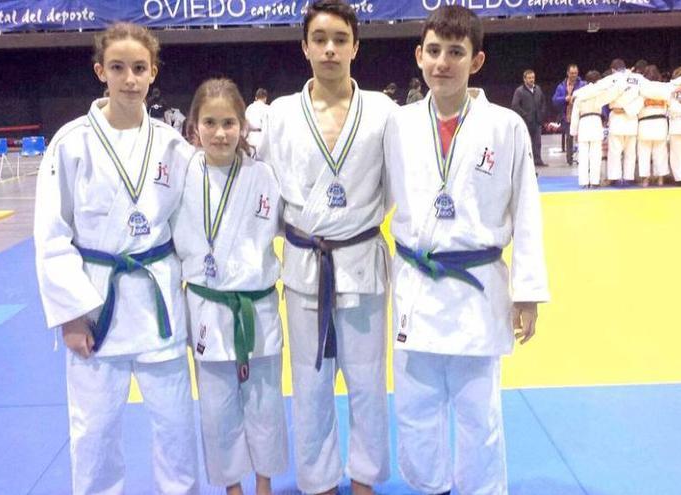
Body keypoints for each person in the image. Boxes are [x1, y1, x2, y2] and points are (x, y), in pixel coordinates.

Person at [384, 6, 549, 494]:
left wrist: (529, 290)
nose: (442, 63)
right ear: (418, 55)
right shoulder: (399, 124)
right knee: (416, 411)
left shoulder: (506, 127)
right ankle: (429, 487)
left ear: (475, 61)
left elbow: (527, 211)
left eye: (455, 53)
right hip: (415, 284)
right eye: (433, 51)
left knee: (479, 413)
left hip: (478, 291)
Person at [33, 22, 199, 495]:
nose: (130, 79)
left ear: (153, 73)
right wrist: (71, 315)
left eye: (139, 69)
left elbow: (191, 227)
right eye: (119, 68)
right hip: (97, 307)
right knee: (94, 430)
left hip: (158, 302)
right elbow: (51, 233)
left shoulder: (173, 146)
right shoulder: (71, 143)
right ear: (99, 71)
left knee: (175, 427)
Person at [258, 1, 396, 493]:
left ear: (356, 46)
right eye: (320, 39)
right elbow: (265, 192)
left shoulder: (383, 112)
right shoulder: (279, 114)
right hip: (304, 265)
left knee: (367, 380)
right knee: (311, 383)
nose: (330, 48)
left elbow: (399, 186)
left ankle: (363, 477)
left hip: (362, 261)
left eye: (340, 38)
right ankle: (317, 480)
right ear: (305, 47)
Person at [174, 78, 288, 495]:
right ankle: (232, 488)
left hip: (257, 309)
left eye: (228, 123)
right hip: (207, 309)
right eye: (210, 122)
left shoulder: (264, 177)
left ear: (243, 125)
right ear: (194, 126)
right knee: (217, 411)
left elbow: (292, 230)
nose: (220, 133)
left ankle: (264, 484)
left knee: (265, 405)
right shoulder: (182, 175)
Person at [605, 58, 645, 184]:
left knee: (615, 152)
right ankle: (628, 177)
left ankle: (614, 178)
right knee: (630, 152)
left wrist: (620, 109)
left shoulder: (611, 80)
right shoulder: (637, 79)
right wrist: (628, 109)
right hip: (631, 119)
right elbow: (640, 98)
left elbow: (607, 98)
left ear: (613, 70)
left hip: (617, 119)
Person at [570, 70, 610, 187]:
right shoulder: (600, 92)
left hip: (583, 123)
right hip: (595, 122)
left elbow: (575, 114)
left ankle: (583, 182)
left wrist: (574, 131)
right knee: (596, 155)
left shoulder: (579, 93)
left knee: (583, 155)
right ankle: (595, 181)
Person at [636, 65, 673, 186]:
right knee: (661, 151)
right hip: (660, 123)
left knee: (644, 152)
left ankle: (645, 179)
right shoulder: (664, 88)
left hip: (645, 123)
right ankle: (660, 178)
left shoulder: (642, 87)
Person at [511, 69, 547, 166]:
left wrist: (542, 113)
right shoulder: (519, 91)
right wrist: (524, 115)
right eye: (529, 78)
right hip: (525, 122)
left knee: (537, 143)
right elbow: (515, 105)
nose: (532, 80)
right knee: (525, 143)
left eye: (533, 77)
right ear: (524, 79)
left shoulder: (538, 89)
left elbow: (543, 102)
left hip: (537, 121)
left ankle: (538, 160)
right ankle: (525, 163)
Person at [552, 64, 585, 166]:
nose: (574, 75)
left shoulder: (583, 84)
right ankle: (569, 159)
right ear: (567, 73)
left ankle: (582, 158)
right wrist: (564, 99)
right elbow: (554, 100)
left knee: (582, 138)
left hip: (580, 116)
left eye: (575, 73)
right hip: (567, 116)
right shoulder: (561, 86)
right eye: (571, 73)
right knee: (569, 138)